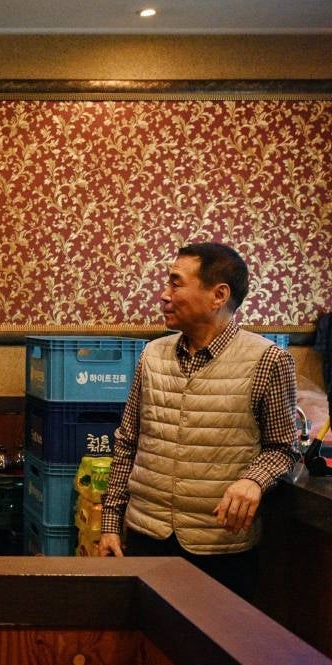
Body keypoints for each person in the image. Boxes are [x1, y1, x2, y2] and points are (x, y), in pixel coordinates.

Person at [98, 242, 297, 600]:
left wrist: (254, 480)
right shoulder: (151, 354)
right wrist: (111, 524)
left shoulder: (268, 360)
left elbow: (284, 448)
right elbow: (127, 442)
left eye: (176, 283)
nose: (164, 294)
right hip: (145, 535)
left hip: (220, 548)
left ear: (218, 295)